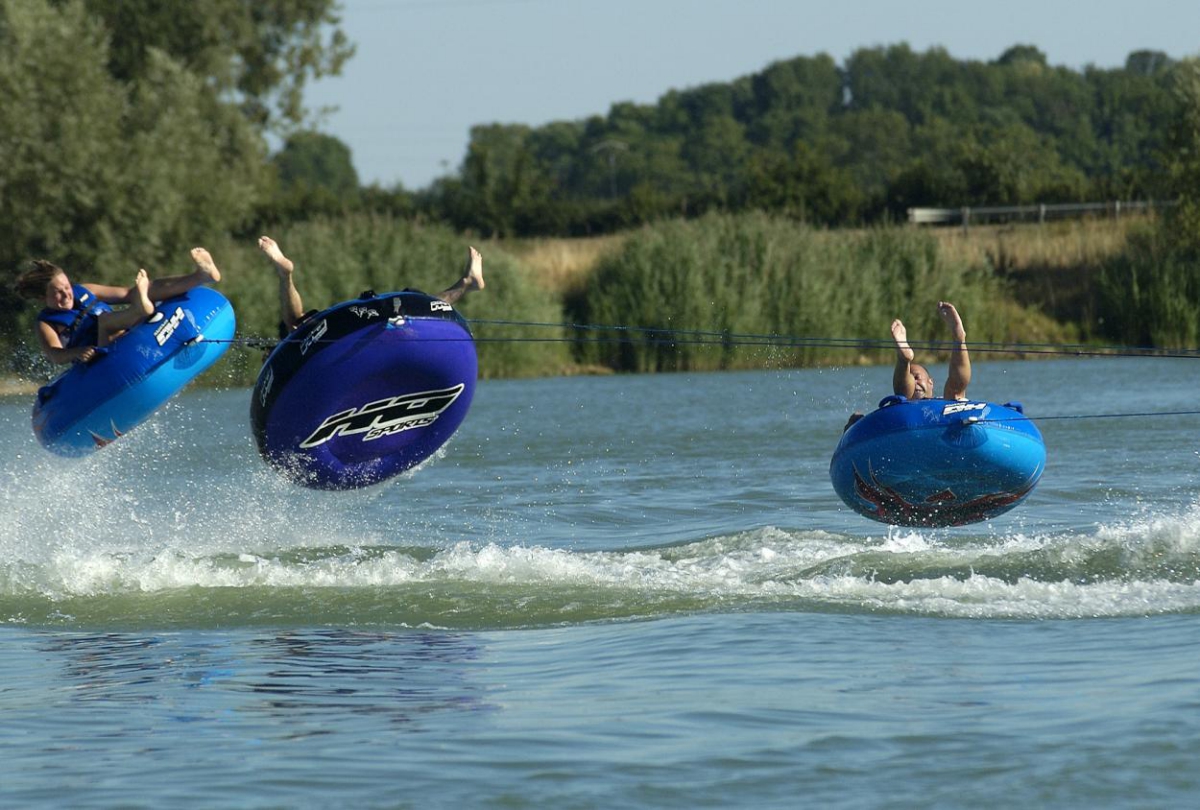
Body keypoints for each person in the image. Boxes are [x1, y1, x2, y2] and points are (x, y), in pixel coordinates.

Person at [15, 248, 222, 365]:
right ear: (43, 297)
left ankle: (200, 276)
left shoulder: (84, 290)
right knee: (104, 321)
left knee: (138, 292)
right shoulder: (46, 322)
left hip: (129, 337)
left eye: (67, 287)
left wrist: (139, 293)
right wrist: (77, 352)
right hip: (102, 359)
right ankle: (140, 309)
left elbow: (127, 294)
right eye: (57, 292)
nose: (66, 294)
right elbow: (54, 355)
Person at [256, 235, 485, 337]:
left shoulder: (298, 342)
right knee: (419, 308)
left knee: (294, 323)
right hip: (373, 315)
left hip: (340, 328)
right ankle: (466, 283)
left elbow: (295, 324)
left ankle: (285, 276)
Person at [844, 301, 972, 430]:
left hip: (943, 420)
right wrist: (855, 425)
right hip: (903, 420)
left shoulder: (943, 402)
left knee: (954, 394)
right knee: (903, 398)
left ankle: (959, 339)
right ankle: (903, 360)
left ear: (930, 382)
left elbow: (956, 386)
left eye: (916, 377)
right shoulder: (893, 410)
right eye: (910, 378)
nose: (914, 383)